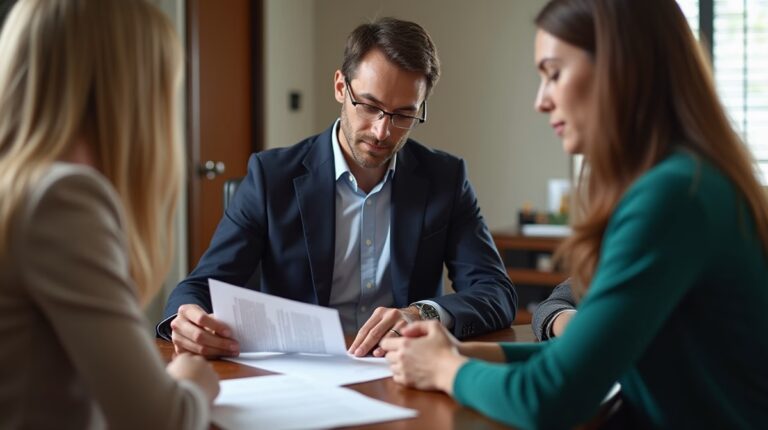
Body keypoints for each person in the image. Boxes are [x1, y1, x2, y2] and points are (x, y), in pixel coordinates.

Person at [381, 0, 768, 428]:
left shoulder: (672, 196)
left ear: (620, 70)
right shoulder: (693, 179)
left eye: (554, 74)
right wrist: (462, 352)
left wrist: (444, 370)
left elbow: (549, 398)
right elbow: (586, 359)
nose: (540, 101)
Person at [158, 17, 517, 358]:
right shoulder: (270, 176)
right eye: (370, 106)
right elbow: (201, 285)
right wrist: (184, 317)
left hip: (402, 370)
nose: (382, 132)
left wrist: (422, 313)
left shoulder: (445, 178)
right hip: (300, 372)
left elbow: (495, 292)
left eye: (403, 115)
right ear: (340, 88)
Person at [0, 0, 219, 428]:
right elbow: (160, 420)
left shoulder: (18, 187)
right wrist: (192, 380)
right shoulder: (62, 199)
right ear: (130, 93)